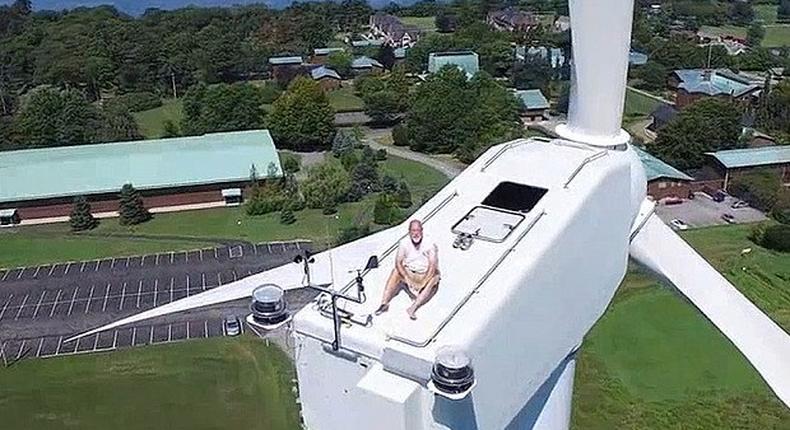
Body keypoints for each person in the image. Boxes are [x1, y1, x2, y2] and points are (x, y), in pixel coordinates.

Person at [375, 219, 440, 320]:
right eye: (413, 231)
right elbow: (398, 262)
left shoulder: (430, 244)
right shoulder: (404, 243)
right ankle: (384, 303)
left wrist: (423, 282)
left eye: (418, 230)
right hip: (409, 272)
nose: (416, 233)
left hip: (424, 273)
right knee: (395, 271)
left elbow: (433, 266)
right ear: (409, 231)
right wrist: (407, 278)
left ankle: (413, 308)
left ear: (422, 231)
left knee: (435, 277)